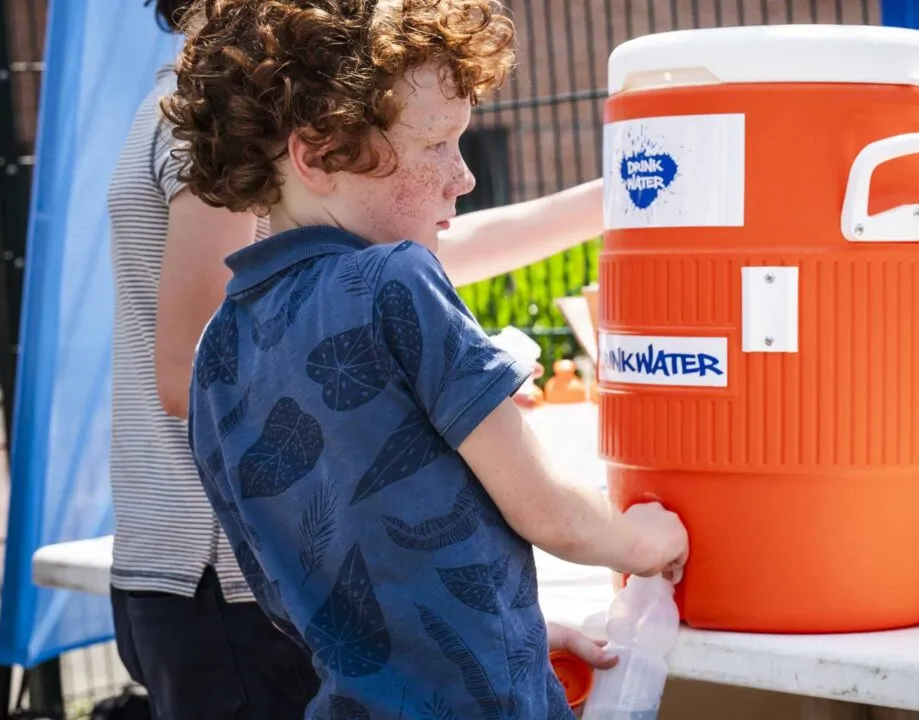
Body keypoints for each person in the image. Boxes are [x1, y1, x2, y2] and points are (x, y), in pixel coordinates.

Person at [105, 0, 632, 717]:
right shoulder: (271, 137)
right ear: (314, 150)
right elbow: (554, 514)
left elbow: (384, 246)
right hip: (227, 599)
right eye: (441, 144)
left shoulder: (225, 129)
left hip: (301, 630)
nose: (463, 175)